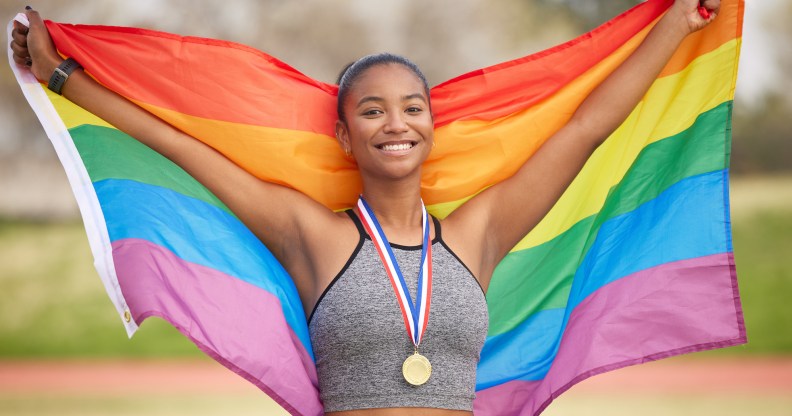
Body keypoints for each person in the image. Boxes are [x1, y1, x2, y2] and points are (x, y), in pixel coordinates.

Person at [11, 1, 720, 414]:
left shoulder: (478, 234)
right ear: (346, 136)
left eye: (413, 108)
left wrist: (679, 23)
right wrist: (66, 79)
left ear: (432, 127)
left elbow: (584, 130)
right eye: (372, 111)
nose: (396, 123)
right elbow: (186, 149)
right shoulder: (312, 236)